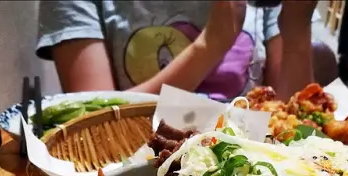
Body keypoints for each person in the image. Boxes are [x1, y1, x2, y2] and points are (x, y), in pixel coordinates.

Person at [37, 0, 317, 101]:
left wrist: (297, 23)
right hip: (135, 167)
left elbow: (293, 121)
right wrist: (210, 46)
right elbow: (92, 123)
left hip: (251, 170)